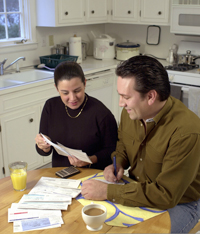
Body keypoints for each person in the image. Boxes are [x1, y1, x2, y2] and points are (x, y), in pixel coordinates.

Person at [81, 55, 200, 233]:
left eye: (126, 97)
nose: (121, 103)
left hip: (181, 202)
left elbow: (165, 195)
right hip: (138, 188)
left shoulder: (186, 132)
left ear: (151, 96)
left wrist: (108, 192)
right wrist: (118, 162)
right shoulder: (132, 112)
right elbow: (123, 144)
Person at [35, 61, 118, 170]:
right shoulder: (50, 107)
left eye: (77, 90)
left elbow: (113, 151)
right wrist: (43, 146)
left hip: (92, 174)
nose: (73, 98)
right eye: (65, 93)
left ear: (85, 83)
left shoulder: (101, 113)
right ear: (56, 89)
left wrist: (89, 159)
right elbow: (44, 151)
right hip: (61, 174)